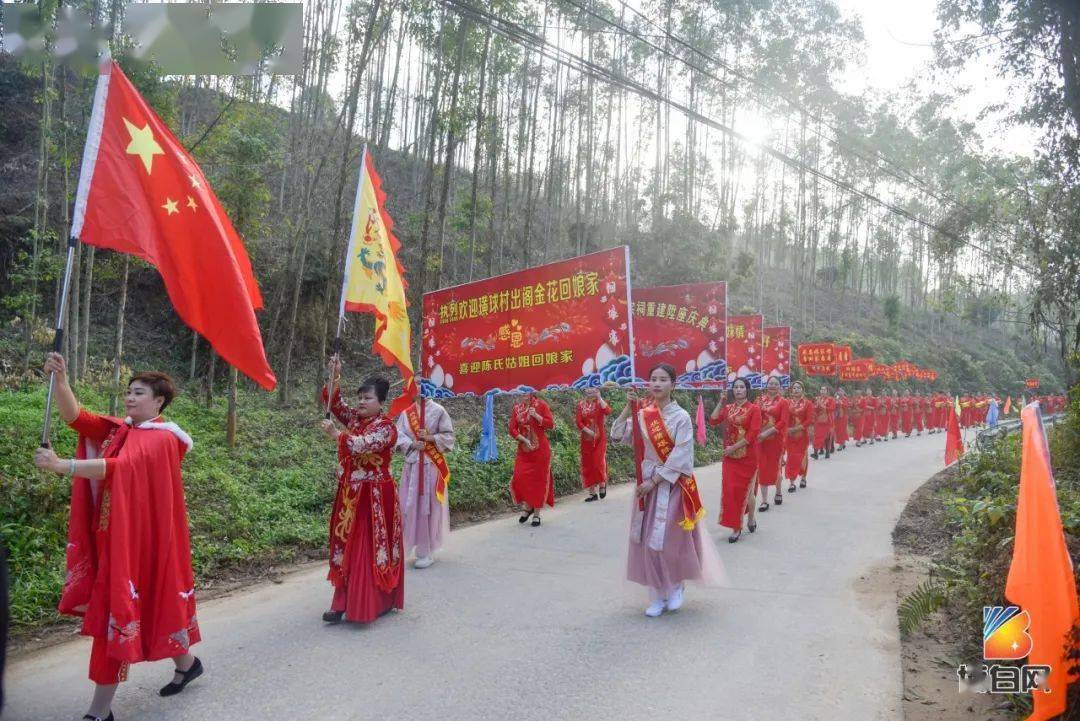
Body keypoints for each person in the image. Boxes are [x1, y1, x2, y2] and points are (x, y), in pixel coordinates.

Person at [32, 353, 201, 721]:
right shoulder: (120, 430)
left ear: (159, 401)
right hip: (112, 536)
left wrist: (64, 466)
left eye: (138, 393)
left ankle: (99, 712)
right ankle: (187, 664)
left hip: (138, 544)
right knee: (153, 605)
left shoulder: (163, 440)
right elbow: (76, 417)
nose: (129, 397)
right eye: (128, 391)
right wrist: (60, 380)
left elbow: (121, 467)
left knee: (118, 613)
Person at [610, 363, 724, 617]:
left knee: (670, 542)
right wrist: (628, 408)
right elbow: (618, 435)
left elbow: (682, 455)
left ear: (673, 384)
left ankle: (675, 586)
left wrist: (655, 480)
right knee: (647, 542)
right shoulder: (642, 414)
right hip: (646, 487)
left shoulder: (681, 417)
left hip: (672, 487)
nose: (657, 383)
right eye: (653, 379)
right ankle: (656, 594)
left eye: (663, 379)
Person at [320, 361, 404, 624]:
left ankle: (370, 602)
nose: (361, 403)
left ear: (381, 402)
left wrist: (337, 435)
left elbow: (363, 446)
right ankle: (341, 602)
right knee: (346, 548)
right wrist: (335, 375)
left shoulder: (386, 428)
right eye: (360, 398)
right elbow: (334, 403)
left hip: (375, 496)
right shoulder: (356, 419)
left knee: (367, 549)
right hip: (350, 495)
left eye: (367, 398)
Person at [394, 396, 455, 569]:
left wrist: (430, 438)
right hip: (412, 465)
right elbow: (398, 435)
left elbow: (448, 436)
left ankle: (426, 550)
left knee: (428, 506)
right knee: (408, 505)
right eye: (417, 382)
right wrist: (412, 443)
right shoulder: (407, 413)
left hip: (431, 466)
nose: (420, 387)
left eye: (424, 383)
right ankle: (406, 545)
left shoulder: (439, 410)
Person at [710, 377, 762, 543]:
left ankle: (750, 518)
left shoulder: (754, 409)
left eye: (741, 387)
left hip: (748, 457)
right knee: (732, 491)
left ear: (747, 389)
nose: (738, 390)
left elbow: (752, 434)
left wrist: (733, 447)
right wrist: (721, 401)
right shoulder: (728, 408)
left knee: (746, 491)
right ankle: (736, 526)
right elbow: (713, 420)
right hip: (730, 458)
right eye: (736, 387)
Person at [509, 392, 555, 527]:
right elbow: (512, 429)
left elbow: (550, 424)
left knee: (538, 481)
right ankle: (528, 506)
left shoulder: (541, 405)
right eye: (520, 392)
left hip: (540, 451)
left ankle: (536, 513)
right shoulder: (517, 408)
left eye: (525, 392)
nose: (523, 395)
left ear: (531, 392)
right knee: (519, 477)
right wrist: (523, 439)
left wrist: (536, 415)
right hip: (524, 450)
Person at [755, 376, 789, 510]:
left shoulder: (783, 402)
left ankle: (778, 491)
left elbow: (783, 422)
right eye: (770, 383)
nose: (772, 386)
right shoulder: (759, 400)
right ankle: (764, 501)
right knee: (762, 468)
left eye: (775, 384)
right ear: (766, 385)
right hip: (760, 440)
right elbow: (753, 416)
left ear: (779, 386)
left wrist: (768, 432)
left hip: (776, 439)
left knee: (776, 468)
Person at [576, 387, 612, 502]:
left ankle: (602, 484)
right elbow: (578, 421)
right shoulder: (581, 405)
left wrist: (599, 397)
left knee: (598, 462)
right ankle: (592, 493)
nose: (590, 391)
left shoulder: (599, 403)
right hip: (586, 440)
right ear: (584, 391)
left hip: (600, 439)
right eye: (588, 389)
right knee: (588, 464)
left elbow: (608, 411)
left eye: (593, 389)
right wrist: (588, 431)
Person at [784, 381, 814, 491]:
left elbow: (809, 420)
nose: (796, 389)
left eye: (798, 388)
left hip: (802, 435)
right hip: (789, 436)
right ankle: (792, 482)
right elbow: (784, 417)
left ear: (802, 390)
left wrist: (796, 428)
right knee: (791, 457)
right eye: (794, 388)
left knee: (802, 457)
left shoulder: (808, 403)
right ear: (791, 390)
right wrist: (786, 429)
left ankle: (803, 477)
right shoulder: (787, 403)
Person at [811, 385, 835, 460]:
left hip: (827, 421)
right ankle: (816, 453)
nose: (822, 391)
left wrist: (823, 406)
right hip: (818, 421)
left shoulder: (831, 399)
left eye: (824, 390)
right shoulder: (818, 399)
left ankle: (827, 452)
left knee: (827, 437)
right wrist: (816, 406)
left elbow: (832, 409)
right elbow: (815, 409)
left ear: (827, 391)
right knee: (817, 436)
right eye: (821, 389)